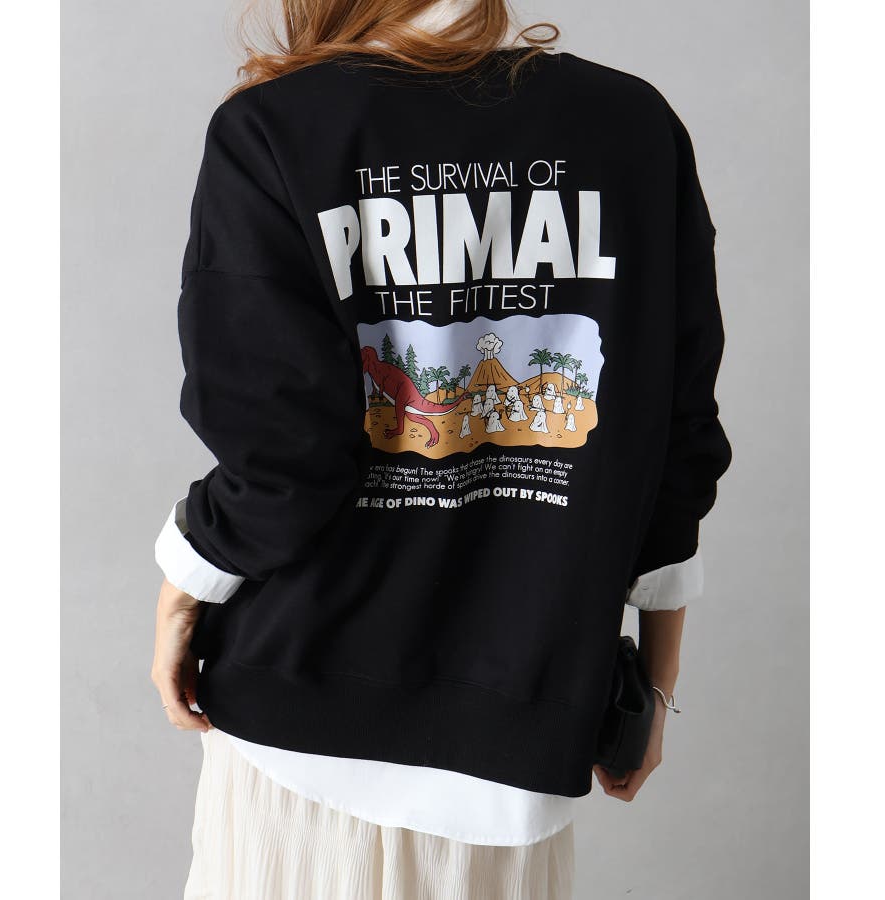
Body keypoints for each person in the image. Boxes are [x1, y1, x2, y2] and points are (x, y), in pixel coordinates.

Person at [150, 0, 732, 897]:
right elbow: (675, 431)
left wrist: (184, 587)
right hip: (523, 727)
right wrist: (654, 682)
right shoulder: (632, 125)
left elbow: (281, 450)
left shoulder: (276, 127)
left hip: (300, 716)